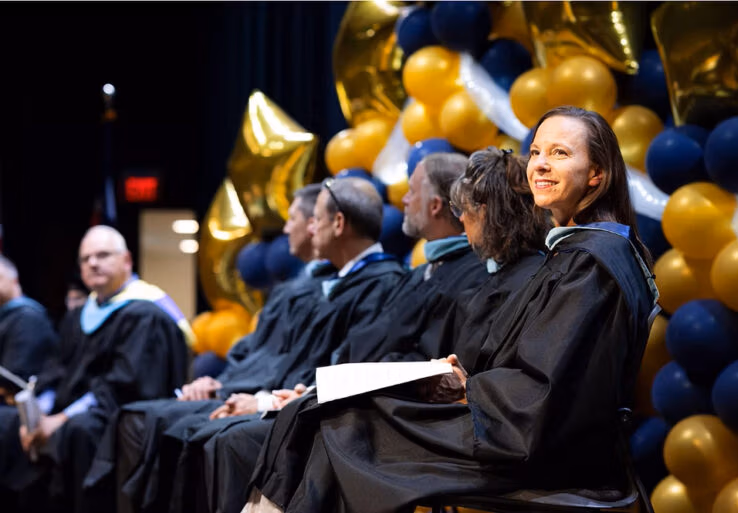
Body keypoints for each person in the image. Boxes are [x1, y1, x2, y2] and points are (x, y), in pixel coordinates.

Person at [241, 106, 660, 513]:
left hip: (544, 450)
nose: (541, 165)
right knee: (324, 418)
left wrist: (467, 389)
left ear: (596, 174)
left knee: (344, 428)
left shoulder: (592, 260)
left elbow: (552, 388)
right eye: (535, 152)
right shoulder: (581, 252)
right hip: (520, 426)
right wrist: (465, 382)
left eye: (560, 153)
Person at [177, 152, 538, 513]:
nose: (461, 219)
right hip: (388, 397)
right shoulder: (435, 276)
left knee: (325, 431)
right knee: (303, 424)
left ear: (488, 211)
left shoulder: (507, 280)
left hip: (469, 425)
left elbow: (486, 375)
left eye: (467, 210)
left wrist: (458, 381)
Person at [97, 178, 406, 513]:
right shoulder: (317, 287)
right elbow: (261, 352)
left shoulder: (383, 286)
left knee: (203, 436)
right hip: (270, 395)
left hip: (305, 407)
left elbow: (337, 366)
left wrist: (265, 399)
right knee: (142, 419)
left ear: (338, 223)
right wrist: (223, 385)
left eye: (310, 219)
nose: (301, 228)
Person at [0, 225, 190, 513]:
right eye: (86, 258)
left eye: (103, 255)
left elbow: (124, 386)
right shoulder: (78, 316)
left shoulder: (146, 315)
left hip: (115, 414)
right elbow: (56, 371)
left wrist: (60, 420)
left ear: (127, 260)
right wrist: (38, 413)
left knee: (79, 430)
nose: (93, 263)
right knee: (10, 423)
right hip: (74, 412)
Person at [0, 255, 58, 404]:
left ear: (14, 280)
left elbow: (14, 381)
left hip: (30, 405)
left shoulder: (28, 318)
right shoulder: (6, 318)